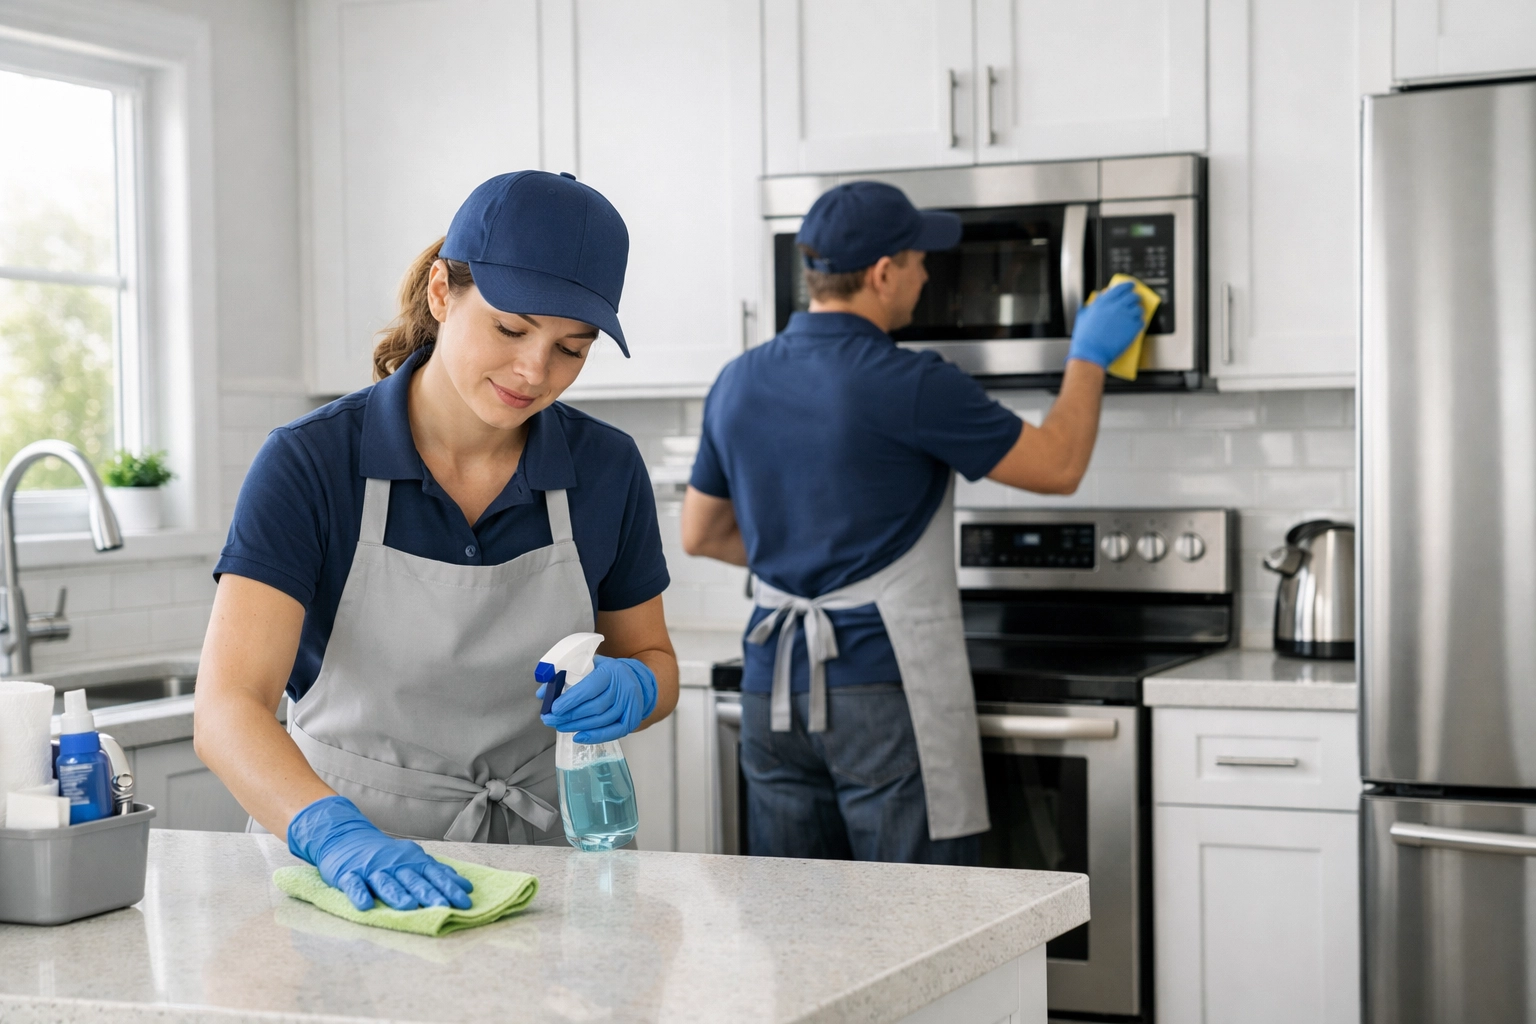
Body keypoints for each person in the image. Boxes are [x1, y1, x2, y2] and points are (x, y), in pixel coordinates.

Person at [195, 171, 677, 911]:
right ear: (441, 291)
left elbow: (653, 659)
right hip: (343, 873)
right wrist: (334, 836)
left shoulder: (605, 469)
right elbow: (229, 707)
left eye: (571, 349)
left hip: (546, 875)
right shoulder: (312, 462)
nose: (533, 372)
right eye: (511, 329)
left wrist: (638, 688)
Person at [680, 181, 1144, 864]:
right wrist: (1088, 357)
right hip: (880, 684)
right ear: (883, 273)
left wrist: (809, 555)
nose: (929, 275)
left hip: (769, 686)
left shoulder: (737, 379)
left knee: (799, 924)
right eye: (921, 259)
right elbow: (1060, 465)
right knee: (923, 921)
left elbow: (702, 534)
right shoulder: (912, 382)